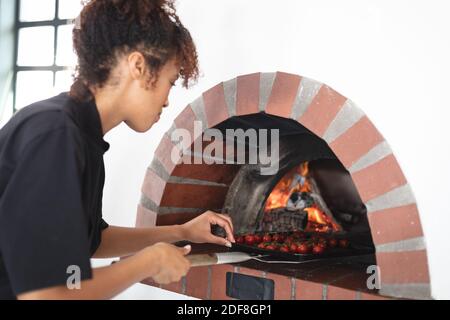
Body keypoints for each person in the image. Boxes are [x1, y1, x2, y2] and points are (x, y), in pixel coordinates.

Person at [0, 0, 235, 300]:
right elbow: (47, 295)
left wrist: (182, 232)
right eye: (170, 82)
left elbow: (94, 240)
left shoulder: (85, 138)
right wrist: (148, 262)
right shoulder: (55, 135)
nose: (166, 101)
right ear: (138, 66)